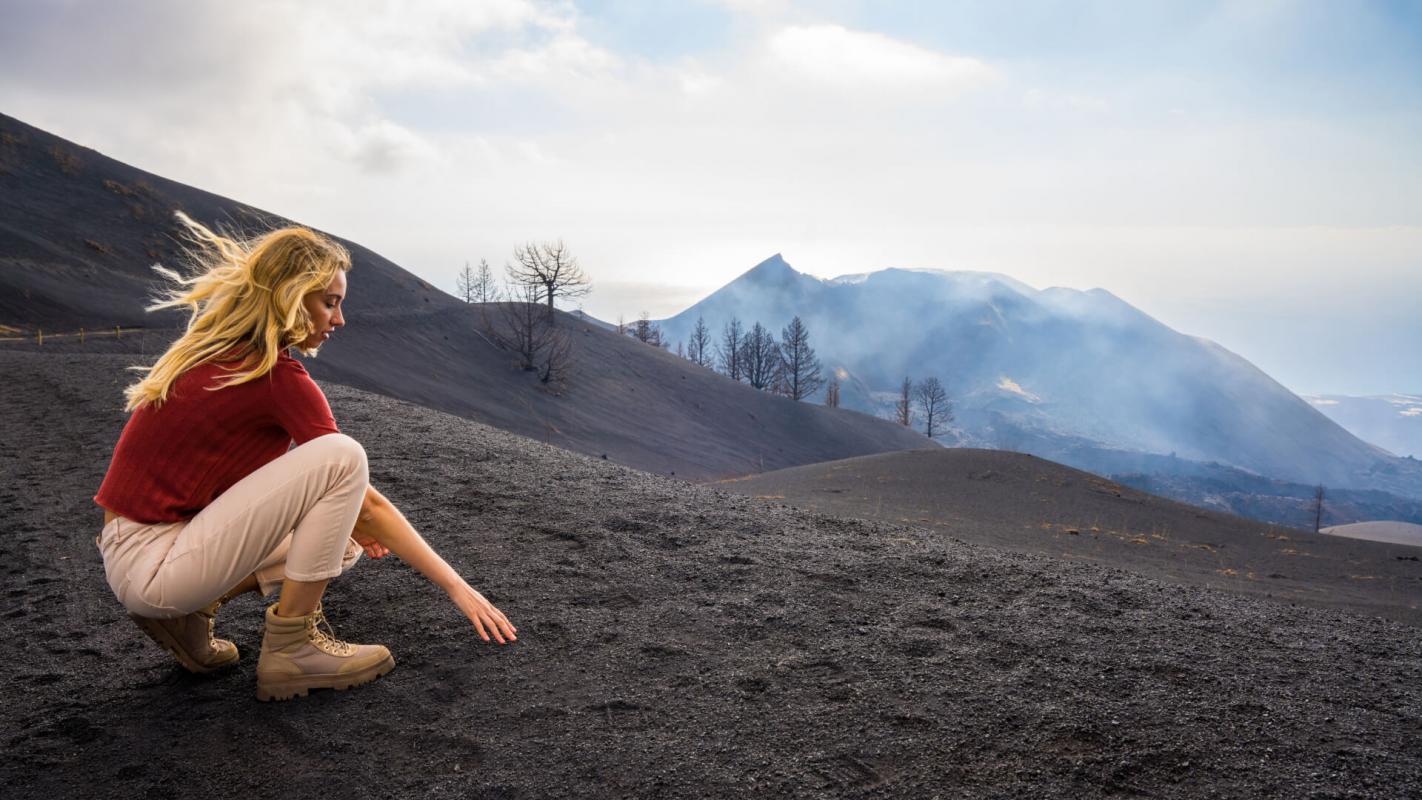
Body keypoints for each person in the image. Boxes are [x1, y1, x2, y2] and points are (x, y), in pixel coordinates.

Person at [93, 212, 516, 702]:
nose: (339, 319)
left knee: (342, 543)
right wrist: (458, 588)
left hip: (138, 550)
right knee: (342, 457)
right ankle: (293, 648)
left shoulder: (218, 354)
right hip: (156, 564)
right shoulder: (273, 375)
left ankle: (189, 617)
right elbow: (365, 499)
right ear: (290, 298)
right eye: (329, 302)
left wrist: (349, 516)